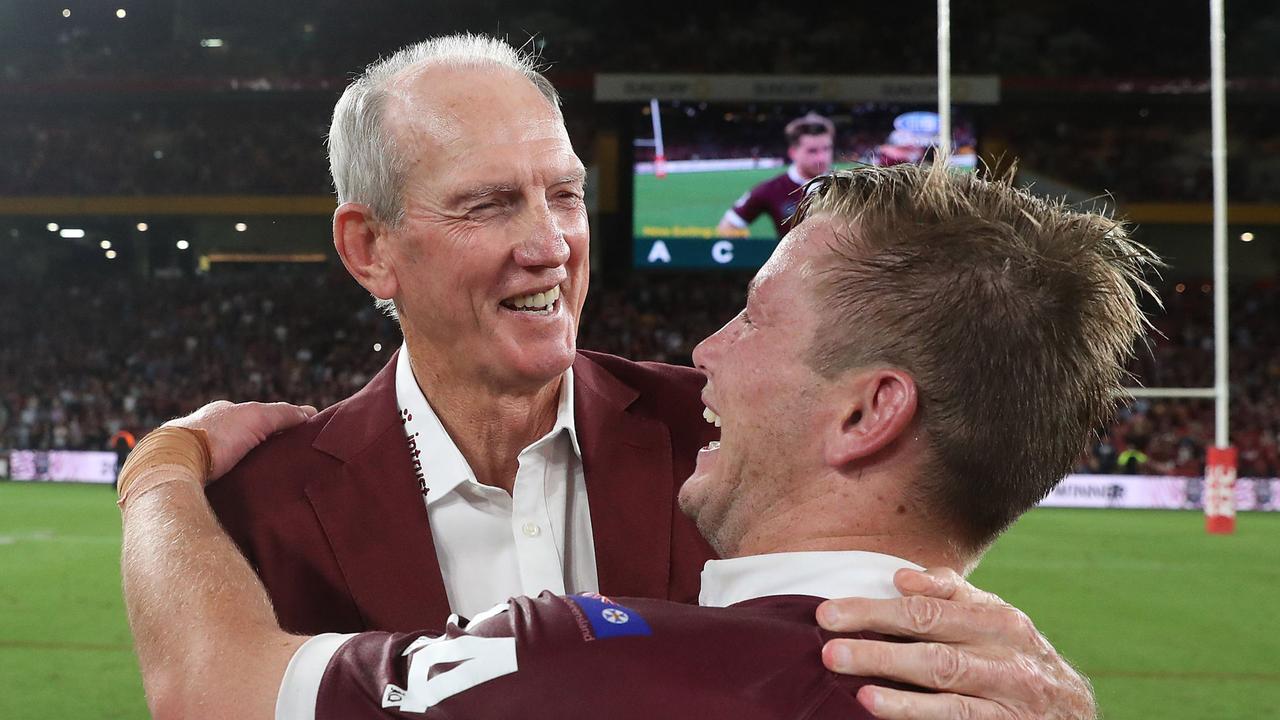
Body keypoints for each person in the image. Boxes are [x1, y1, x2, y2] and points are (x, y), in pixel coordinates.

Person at [181, 33, 1091, 715]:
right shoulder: (261, 505)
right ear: (369, 248)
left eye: (566, 194)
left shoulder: (743, 446)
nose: (550, 245)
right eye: (490, 204)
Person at [716, 112, 835, 238]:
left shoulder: (848, 184)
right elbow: (728, 226)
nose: (822, 158)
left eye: (826, 149)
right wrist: (750, 253)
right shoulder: (772, 189)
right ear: (793, 152)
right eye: (812, 151)